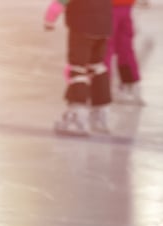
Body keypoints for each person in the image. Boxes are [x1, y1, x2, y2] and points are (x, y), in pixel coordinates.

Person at [44, 0, 113, 136]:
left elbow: (60, 2)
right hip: (104, 25)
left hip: (82, 24)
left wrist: (49, 19)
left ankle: (77, 115)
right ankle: (100, 114)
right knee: (97, 66)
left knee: (78, 68)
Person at [105, 0, 145, 105]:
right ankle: (131, 85)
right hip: (125, 6)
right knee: (125, 47)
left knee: (106, 47)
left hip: (109, 7)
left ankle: (102, 89)